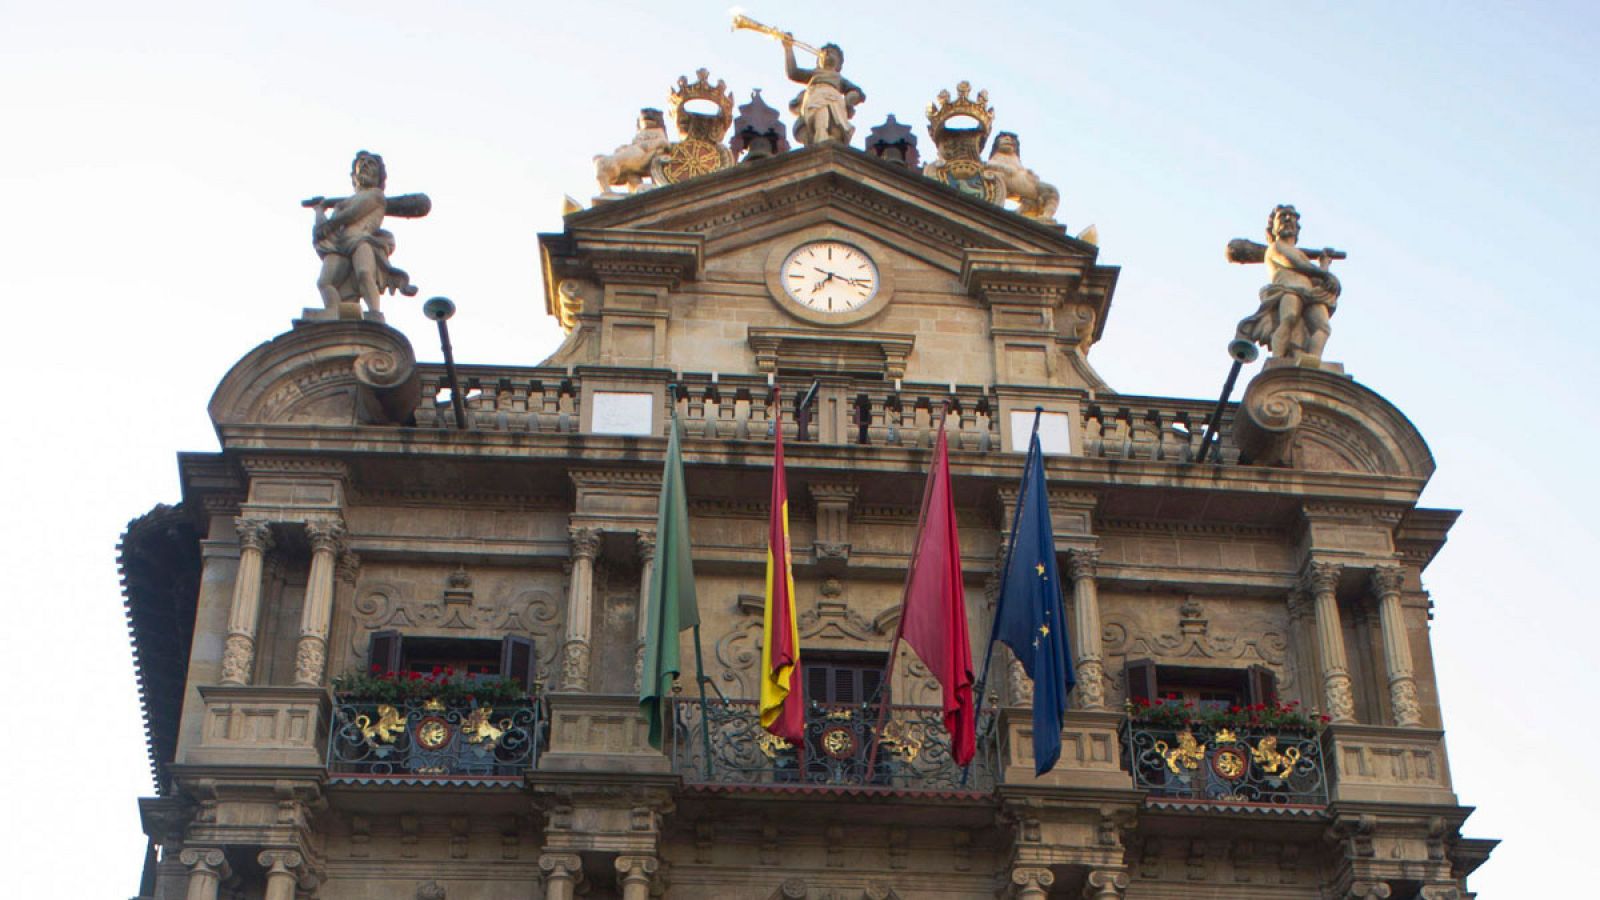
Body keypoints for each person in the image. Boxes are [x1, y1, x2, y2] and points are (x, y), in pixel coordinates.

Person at [308, 151, 425, 318]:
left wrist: (332, 221)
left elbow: (353, 214)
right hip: (340, 244)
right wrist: (319, 210)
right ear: (353, 175)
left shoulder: (376, 195)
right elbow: (322, 232)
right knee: (325, 283)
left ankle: (374, 314)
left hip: (361, 240)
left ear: (379, 176)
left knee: (364, 274)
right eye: (361, 163)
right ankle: (334, 314)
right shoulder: (342, 204)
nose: (364, 165)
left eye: (370, 164)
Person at [1236, 205, 1341, 360]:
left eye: (1291, 217)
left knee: (1323, 328)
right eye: (1282, 216)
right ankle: (1278, 358)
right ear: (1273, 228)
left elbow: (1316, 280)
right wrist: (1324, 274)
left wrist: (1324, 263)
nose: (1287, 219)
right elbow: (1295, 263)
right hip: (1289, 289)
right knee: (1289, 318)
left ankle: (1311, 360)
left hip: (1310, 294)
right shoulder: (1275, 247)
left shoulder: (1300, 254)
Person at [782, 39, 864, 146]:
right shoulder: (815, 73)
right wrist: (788, 49)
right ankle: (821, 135)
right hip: (816, 96)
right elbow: (793, 73)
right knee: (821, 113)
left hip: (834, 100)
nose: (828, 54)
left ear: (839, 65)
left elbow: (857, 92)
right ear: (818, 62)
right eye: (824, 53)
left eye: (832, 53)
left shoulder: (839, 78)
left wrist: (850, 99)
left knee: (836, 122)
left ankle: (832, 136)